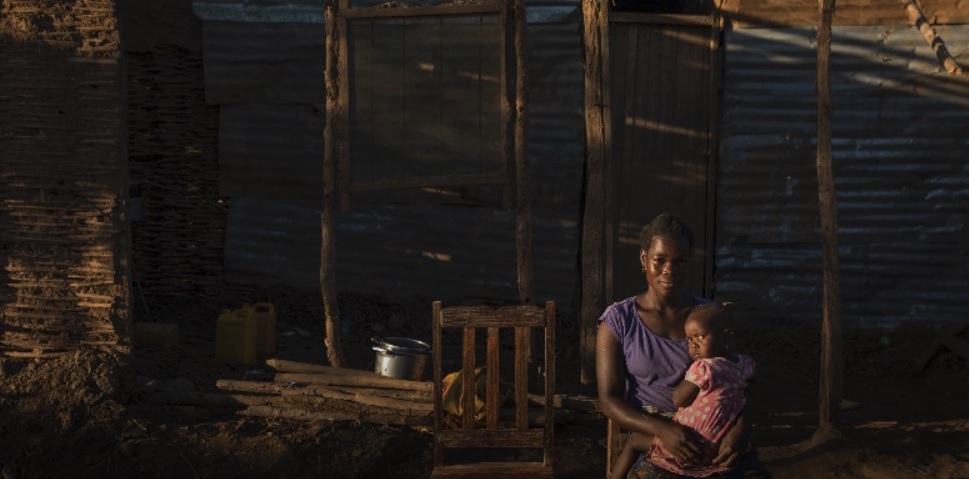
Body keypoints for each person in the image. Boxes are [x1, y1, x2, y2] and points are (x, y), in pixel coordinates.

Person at [597, 213, 770, 479]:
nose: (670, 269)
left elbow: (737, 381)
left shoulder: (708, 318)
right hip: (657, 437)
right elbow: (609, 399)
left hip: (715, 435)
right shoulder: (619, 320)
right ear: (644, 259)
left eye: (680, 261)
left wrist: (740, 430)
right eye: (660, 260)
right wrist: (663, 430)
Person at [611, 302, 756, 478]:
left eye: (700, 337)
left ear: (726, 336)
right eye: (689, 340)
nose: (693, 345)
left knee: (634, 441)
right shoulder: (744, 364)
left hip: (685, 441)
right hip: (717, 445)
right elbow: (751, 389)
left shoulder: (704, 368)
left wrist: (688, 377)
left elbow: (678, 399)